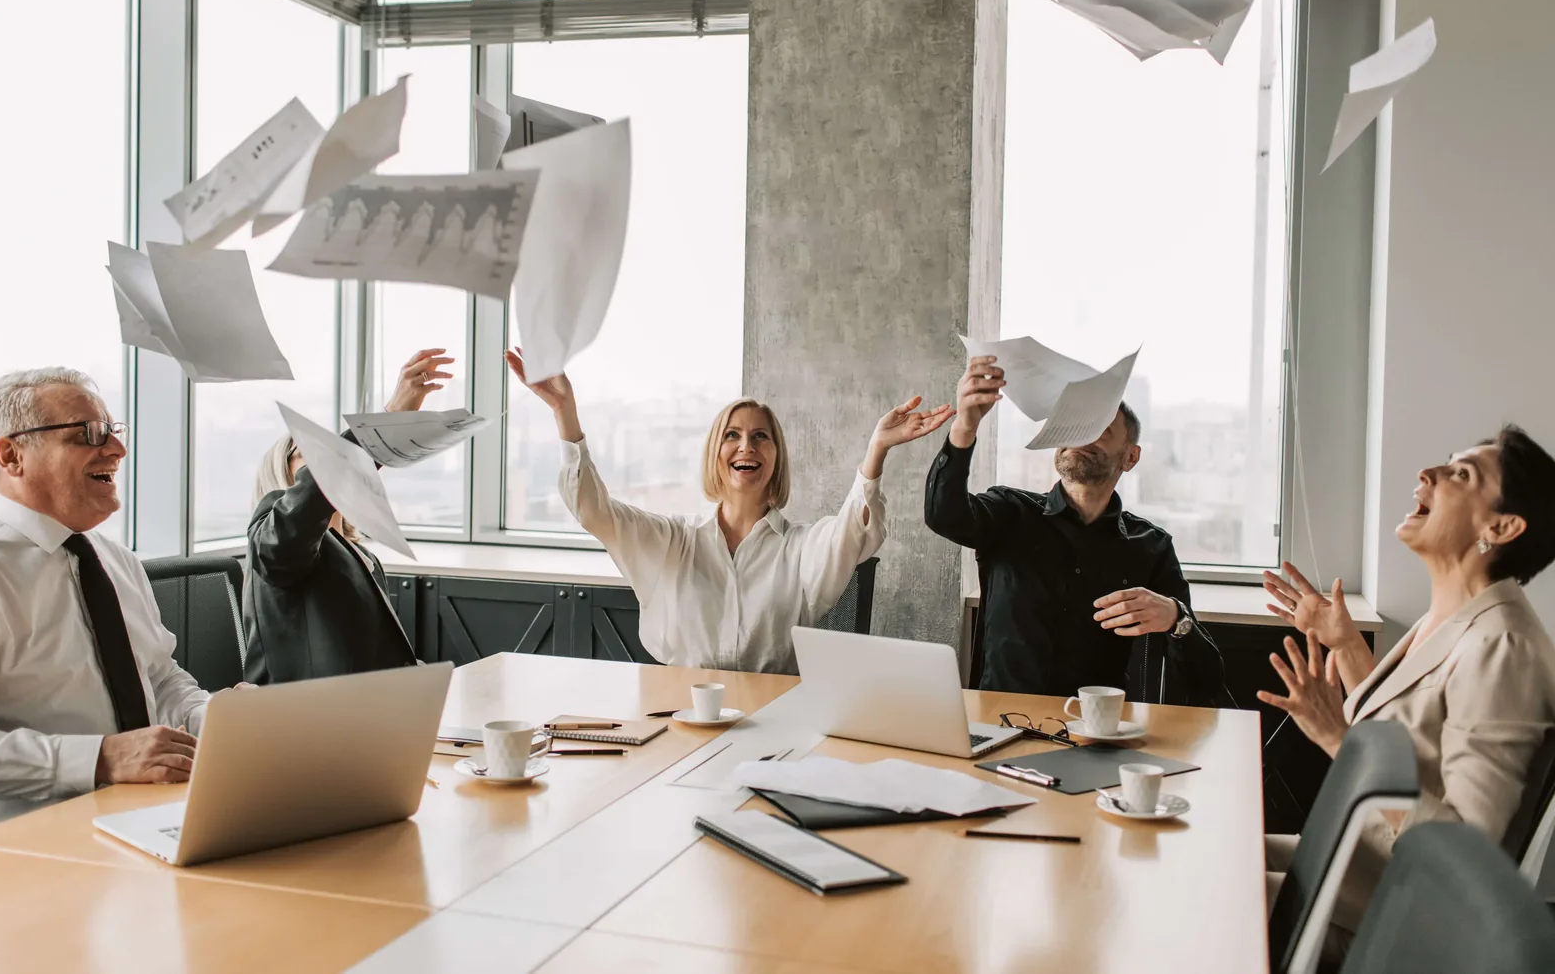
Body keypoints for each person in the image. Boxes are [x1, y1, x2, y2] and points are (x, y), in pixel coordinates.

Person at [1258, 426, 1555, 947]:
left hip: (1387, 914)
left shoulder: (1504, 647)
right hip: (1347, 866)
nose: (1428, 474)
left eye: (1462, 474)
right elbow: (1406, 734)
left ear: (1502, 526)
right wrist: (1345, 645)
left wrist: (1339, 740)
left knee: (1184, 886)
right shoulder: (1453, 617)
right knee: (1199, 842)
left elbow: (1467, 851)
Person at [507, 348, 953, 673]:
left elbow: (855, 532)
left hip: (772, 718)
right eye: (732, 435)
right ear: (715, 452)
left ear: (775, 457)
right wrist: (566, 413)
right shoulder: (672, 542)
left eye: (761, 437)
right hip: (677, 713)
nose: (746, 446)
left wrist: (876, 450)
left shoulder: (801, 549)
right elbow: (594, 510)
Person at [0, 368, 210, 835]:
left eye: (112, 431)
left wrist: (211, 719)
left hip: (148, 821)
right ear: (11, 456)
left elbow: (159, 676)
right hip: (18, 850)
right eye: (87, 434)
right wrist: (99, 758)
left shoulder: (115, 560)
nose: (116, 449)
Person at [924, 354, 1223, 702]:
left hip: (1099, 734)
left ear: (1130, 457)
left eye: (1099, 430)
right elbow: (943, 515)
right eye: (1073, 425)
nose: (1081, 436)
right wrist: (965, 426)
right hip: (1000, 725)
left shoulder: (1152, 547)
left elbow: (1206, 678)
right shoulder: (1010, 512)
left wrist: (1175, 617)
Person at [242, 349, 453, 684]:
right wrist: (388, 419)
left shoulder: (361, 555)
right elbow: (292, 528)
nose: (323, 459)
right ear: (284, 475)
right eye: (309, 454)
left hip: (367, 711)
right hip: (308, 720)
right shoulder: (275, 531)